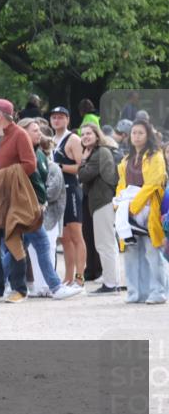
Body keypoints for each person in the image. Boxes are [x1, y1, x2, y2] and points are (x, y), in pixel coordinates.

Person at [0, 99, 38, 304]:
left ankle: (19, 289)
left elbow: (30, 166)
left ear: (0, 115)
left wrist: (0, 175)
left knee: (13, 240)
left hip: (12, 196)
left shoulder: (20, 135)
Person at [10, 120, 80, 300]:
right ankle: (54, 287)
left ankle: (53, 287)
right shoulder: (19, 154)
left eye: (39, 130)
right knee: (29, 248)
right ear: (23, 133)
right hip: (25, 210)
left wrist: (41, 202)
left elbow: (40, 184)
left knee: (26, 248)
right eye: (34, 130)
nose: (39, 133)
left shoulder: (38, 154)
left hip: (35, 210)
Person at [114, 119, 168, 303]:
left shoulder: (156, 156)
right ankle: (135, 292)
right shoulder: (126, 159)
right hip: (128, 209)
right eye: (133, 133)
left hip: (149, 209)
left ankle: (158, 292)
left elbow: (153, 183)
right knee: (131, 251)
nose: (136, 136)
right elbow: (122, 183)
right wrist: (120, 201)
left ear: (148, 135)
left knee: (152, 252)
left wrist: (135, 204)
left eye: (140, 133)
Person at [78, 123, 122, 295]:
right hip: (103, 201)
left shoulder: (98, 153)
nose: (85, 137)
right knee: (108, 243)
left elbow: (83, 175)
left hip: (102, 202)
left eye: (89, 133)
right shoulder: (98, 152)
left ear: (97, 135)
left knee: (105, 244)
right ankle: (113, 281)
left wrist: (82, 161)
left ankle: (111, 284)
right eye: (83, 134)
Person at [49, 106, 87, 286]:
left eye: (60, 117)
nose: (56, 120)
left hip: (70, 188)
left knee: (76, 235)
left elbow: (80, 167)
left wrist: (59, 167)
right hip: (57, 193)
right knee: (63, 238)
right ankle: (68, 277)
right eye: (54, 117)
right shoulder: (50, 140)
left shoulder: (73, 139)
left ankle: (80, 277)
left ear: (67, 120)